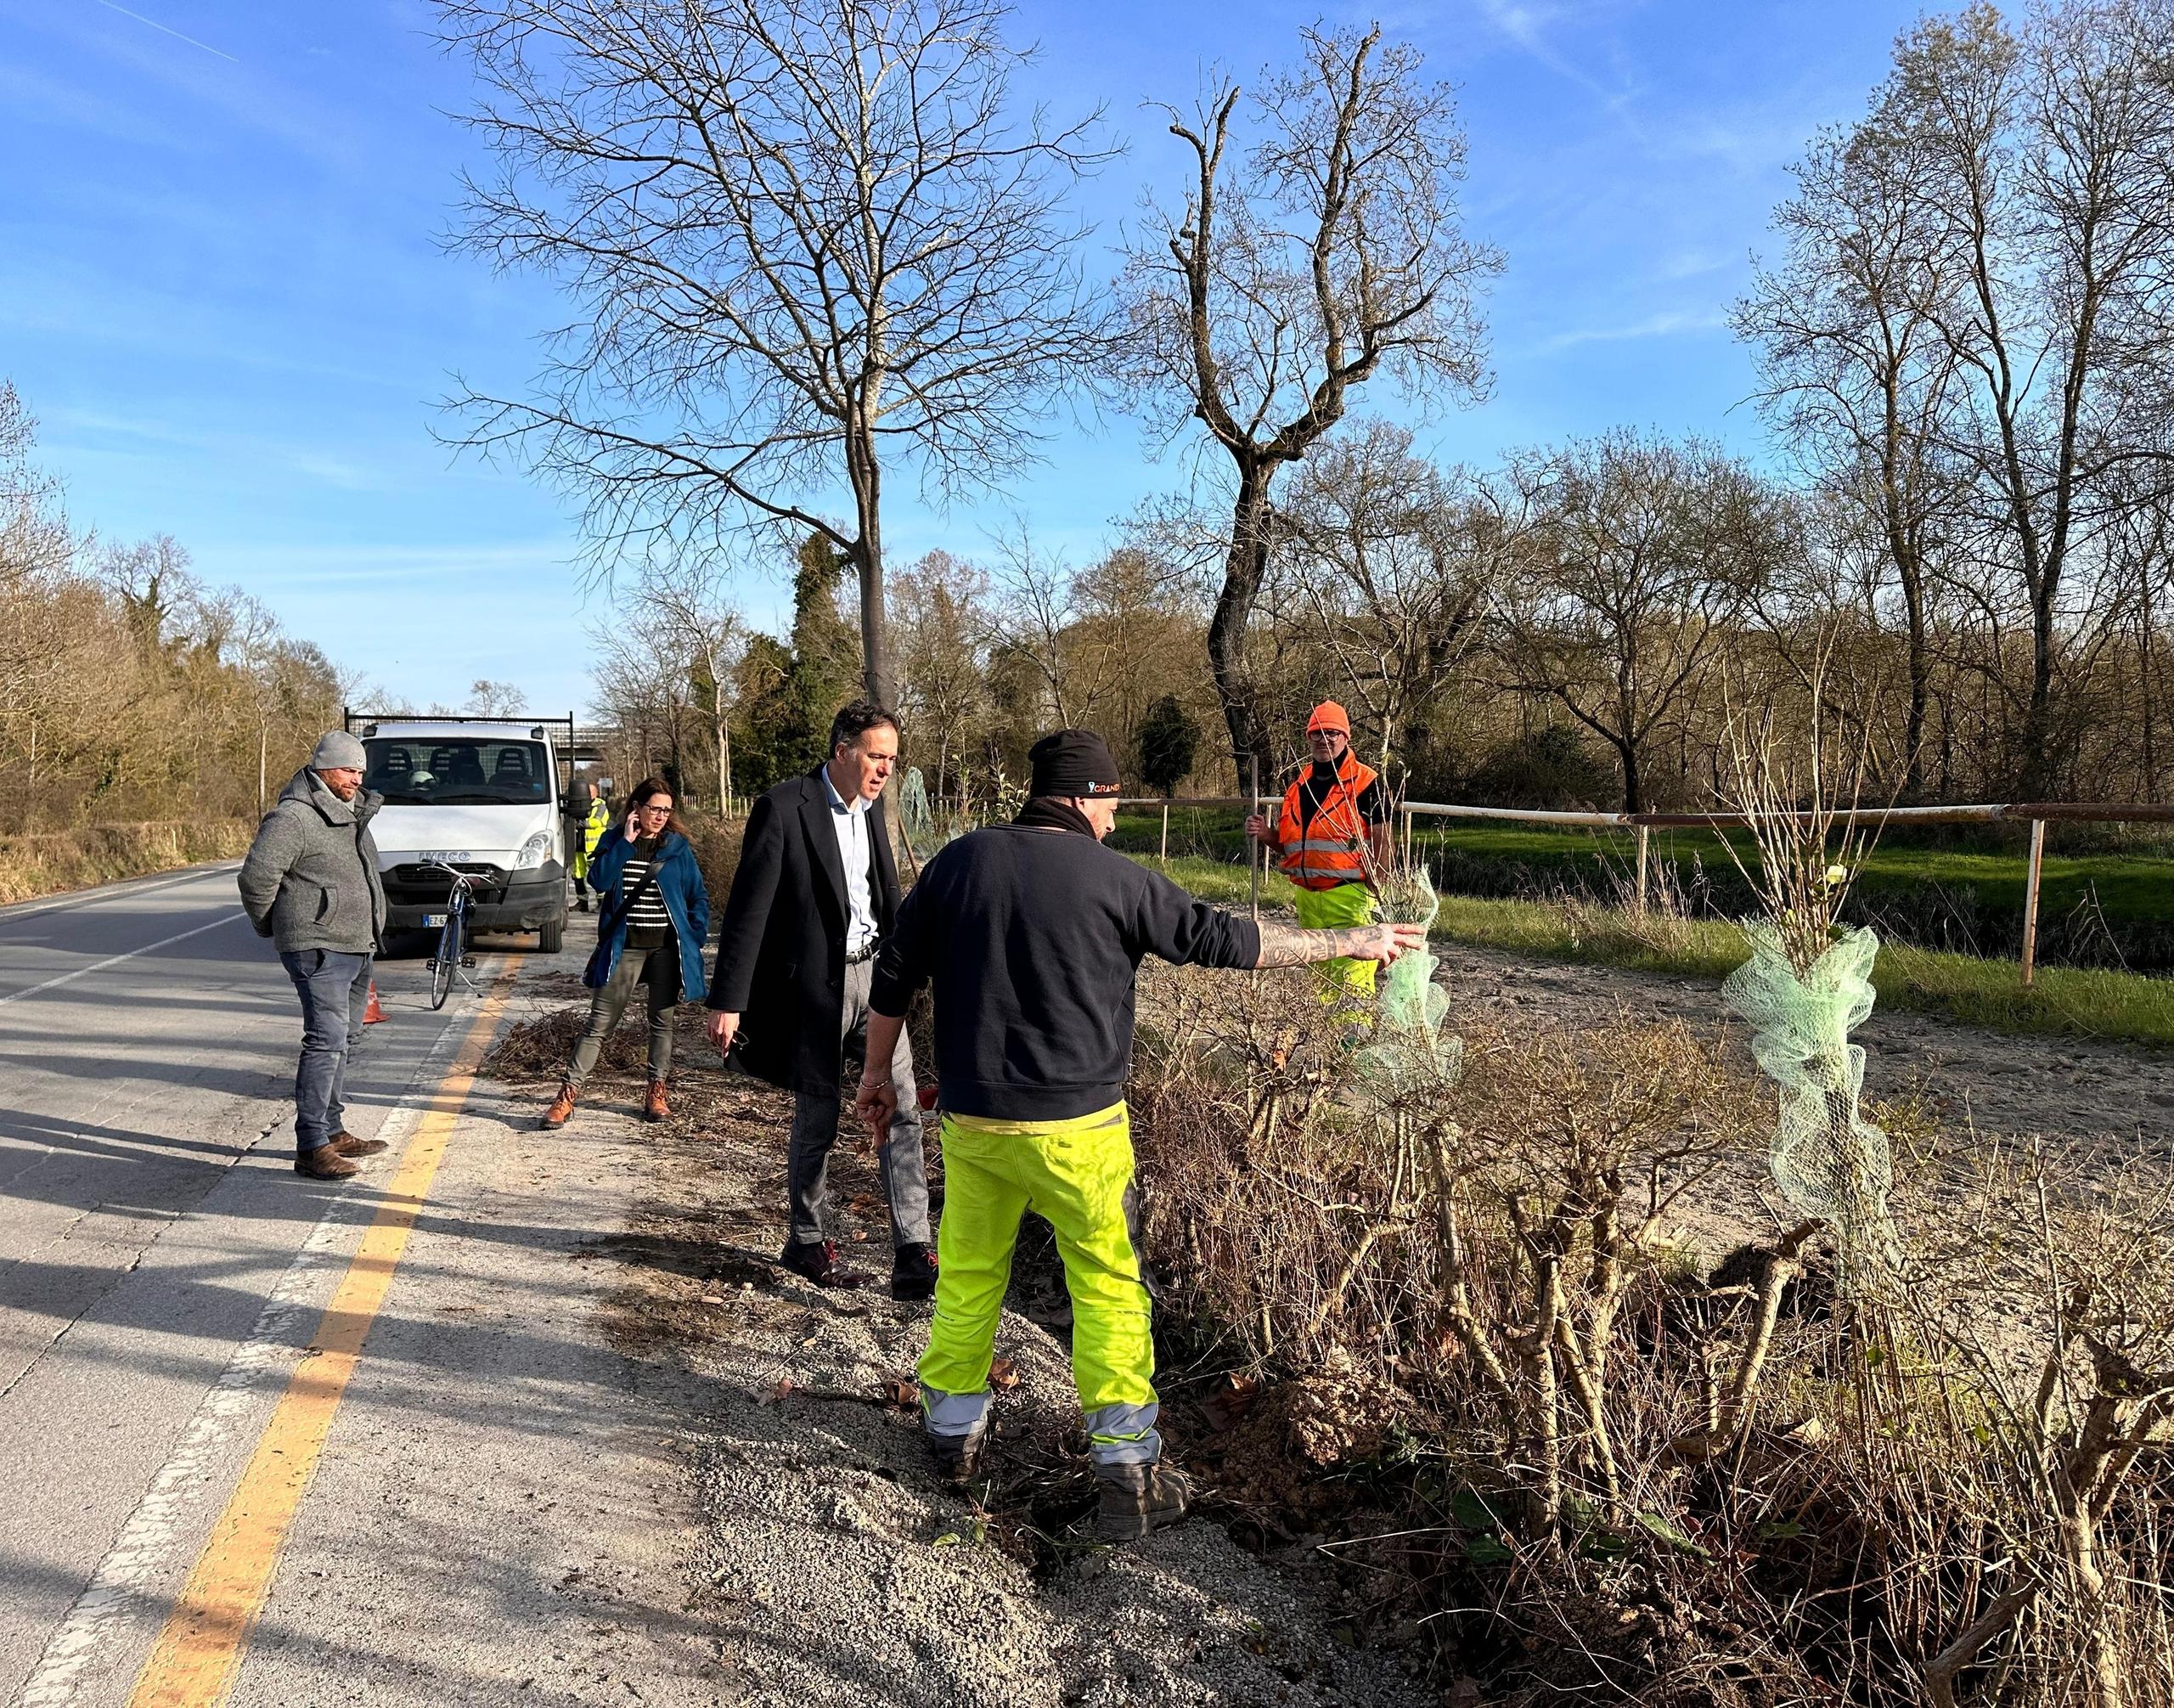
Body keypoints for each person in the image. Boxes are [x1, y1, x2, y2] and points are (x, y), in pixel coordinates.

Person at [855, 729, 1423, 1542]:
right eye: (1113, 804)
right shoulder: (1116, 878)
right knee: (1108, 1284)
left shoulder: (957, 862)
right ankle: (1128, 1471)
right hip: (1080, 1127)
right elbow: (1231, 942)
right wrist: (1355, 940)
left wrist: (878, 1076)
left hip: (976, 1119)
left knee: (972, 1270)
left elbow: (893, 975)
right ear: (1083, 797)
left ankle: (952, 1437)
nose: (1116, 822)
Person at [704, 703, 936, 1300]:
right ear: (842, 750)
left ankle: (913, 1248)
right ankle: (805, 1238)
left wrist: (912, 966)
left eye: (892, 757)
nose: (886, 768)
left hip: (877, 984)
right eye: (876, 755)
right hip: (814, 993)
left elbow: (884, 897)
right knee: (820, 1118)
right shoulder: (785, 807)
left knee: (902, 1104)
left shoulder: (875, 810)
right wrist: (727, 999)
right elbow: (748, 911)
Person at [237, 730, 393, 1182]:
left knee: (344, 1040)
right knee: (326, 1040)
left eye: (361, 771)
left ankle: (333, 1129)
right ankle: (311, 1146)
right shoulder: (294, 817)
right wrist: (278, 925)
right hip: (318, 946)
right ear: (324, 767)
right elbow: (256, 878)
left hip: (355, 944)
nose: (357, 779)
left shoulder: (351, 812)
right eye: (349, 770)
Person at [544, 777, 710, 1126]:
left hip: (666, 949)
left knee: (662, 1023)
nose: (661, 816)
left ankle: (656, 1092)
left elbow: (698, 896)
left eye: (667, 810)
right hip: (625, 948)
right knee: (599, 1025)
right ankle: (567, 1095)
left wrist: (694, 935)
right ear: (637, 808)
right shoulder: (615, 841)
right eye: (655, 809)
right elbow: (599, 882)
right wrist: (626, 842)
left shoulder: (677, 848)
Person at [1244, 701, 1394, 1017]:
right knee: (1321, 978)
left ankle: (1351, 1050)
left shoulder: (1368, 784)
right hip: (1308, 899)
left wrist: (1380, 885)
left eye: (1332, 733)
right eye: (1317, 733)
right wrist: (1266, 833)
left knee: (1352, 978)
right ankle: (1325, 1047)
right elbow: (1292, 847)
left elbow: (1383, 841)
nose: (1324, 740)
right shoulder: (1298, 788)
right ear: (1308, 738)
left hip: (1349, 895)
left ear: (1345, 737)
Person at [566, 781, 611, 913]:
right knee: (577, 875)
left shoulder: (600, 806)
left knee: (597, 875)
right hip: (578, 846)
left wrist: (581, 824)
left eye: (588, 792)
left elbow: (598, 821)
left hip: (594, 848)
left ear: (595, 794)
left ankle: (602, 903)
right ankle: (582, 902)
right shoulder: (576, 806)